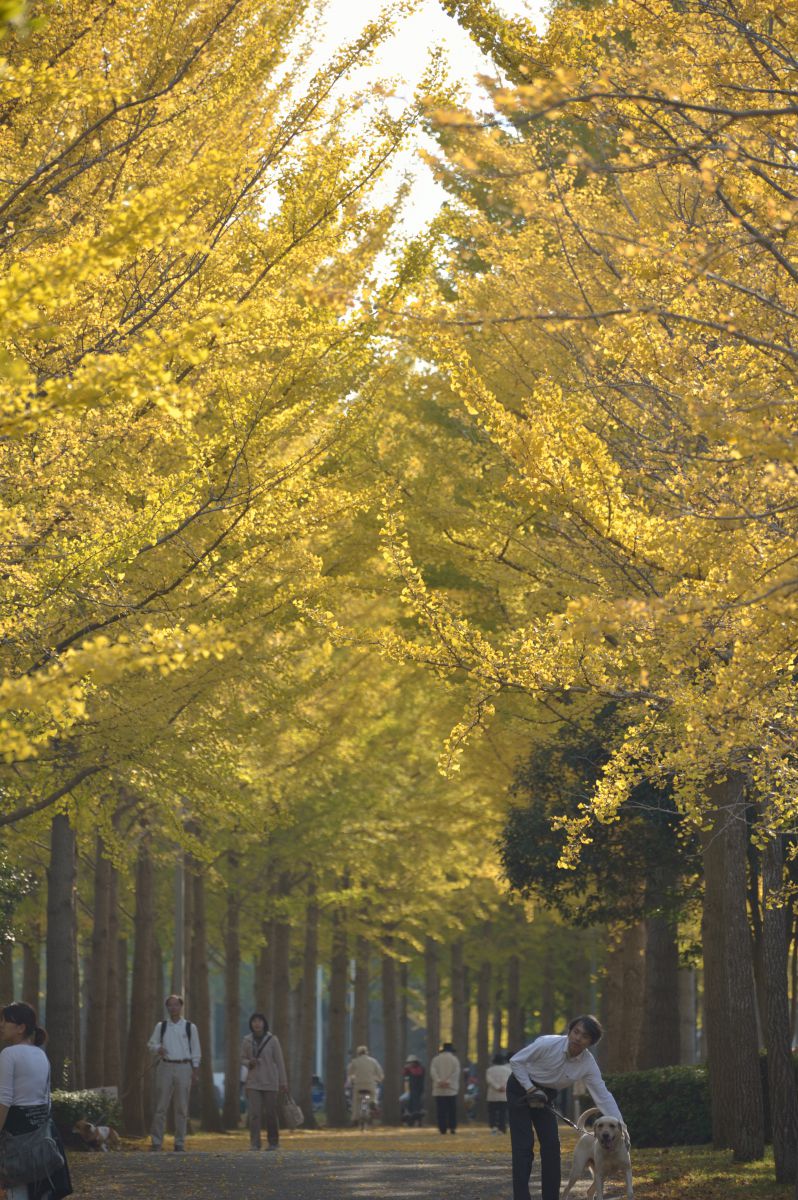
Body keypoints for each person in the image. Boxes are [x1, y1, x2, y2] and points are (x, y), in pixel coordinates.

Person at [507, 1015, 623, 1200]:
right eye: (576, 1032)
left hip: (546, 1097)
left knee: (552, 1146)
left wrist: (621, 1126)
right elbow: (516, 1061)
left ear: (590, 1042)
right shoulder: (547, 1044)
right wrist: (530, 1088)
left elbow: (602, 1095)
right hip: (521, 1088)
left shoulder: (587, 1063)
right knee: (523, 1146)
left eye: (584, 1036)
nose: (577, 1038)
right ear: (569, 1031)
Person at [0, 1001, 72, 1200]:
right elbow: (45, 1097)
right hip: (40, 1131)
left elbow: (5, 1099)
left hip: (15, 1130)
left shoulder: (9, 1054)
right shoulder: (41, 1054)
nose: (1, 1025)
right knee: (36, 1188)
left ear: (21, 1028)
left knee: (17, 1188)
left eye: (6, 1021)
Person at [147, 994, 201, 1152]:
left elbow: (196, 1050)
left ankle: (179, 1143)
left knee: (182, 1108)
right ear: (167, 1007)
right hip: (165, 1067)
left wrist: (195, 1070)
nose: (173, 1008)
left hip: (184, 1067)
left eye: (176, 1005)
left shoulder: (190, 1027)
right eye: (170, 1005)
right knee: (160, 1107)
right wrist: (158, 1049)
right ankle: (156, 1142)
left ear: (181, 1006)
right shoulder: (161, 1026)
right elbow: (151, 1044)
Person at [240, 1013, 287, 1151]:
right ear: (251, 1024)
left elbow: (280, 1062)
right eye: (254, 1021)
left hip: (270, 1081)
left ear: (264, 1023)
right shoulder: (246, 1040)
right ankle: (255, 1143)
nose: (257, 1024)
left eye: (259, 1021)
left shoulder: (273, 1040)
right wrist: (249, 1062)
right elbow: (241, 1058)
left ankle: (273, 1142)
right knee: (254, 1114)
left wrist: (283, 1082)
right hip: (253, 1082)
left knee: (271, 1113)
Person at [429, 1041, 460, 1135]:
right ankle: (452, 1127)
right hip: (451, 1090)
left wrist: (439, 1081)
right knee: (452, 1110)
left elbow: (433, 1071)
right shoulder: (455, 1059)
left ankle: (442, 1128)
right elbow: (456, 1072)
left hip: (439, 1090)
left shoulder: (436, 1059)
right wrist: (448, 1081)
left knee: (441, 1110)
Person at [346, 1045, 383, 1116]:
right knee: (373, 1094)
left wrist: (352, 1079)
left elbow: (349, 1073)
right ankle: (373, 1102)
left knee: (356, 1101)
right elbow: (380, 1073)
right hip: (370, 1084)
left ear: (358, 1053)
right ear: (367, 1053)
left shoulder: (354, 1061)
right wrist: (379, 1079)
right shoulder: (373, 1061)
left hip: (358, 1084)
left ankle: (355, 1118)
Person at [485, 1051, 512, 1134]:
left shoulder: (489, 1070)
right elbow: (509, 1081)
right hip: (504, 1095)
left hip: (492, 1095)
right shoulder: (508, 1070)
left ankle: (493, 1126)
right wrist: (503, 1087)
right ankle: (502, 1128)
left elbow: (489, 1080)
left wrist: (497, 1087)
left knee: (492, 1112)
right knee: (503, 1113)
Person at [401, 1055, 425, 1127]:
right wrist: (406, 1069)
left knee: (417, 1106)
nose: (410, 1064)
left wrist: (409, 1068)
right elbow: (404, 1074)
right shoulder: (410, 1069)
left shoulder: (420, 1068)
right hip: (411, 1090)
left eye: (411, 1062)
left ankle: (418, 1121)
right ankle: (410, 1121)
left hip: (418, 1090)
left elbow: (417, 1073)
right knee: (409, 1105)